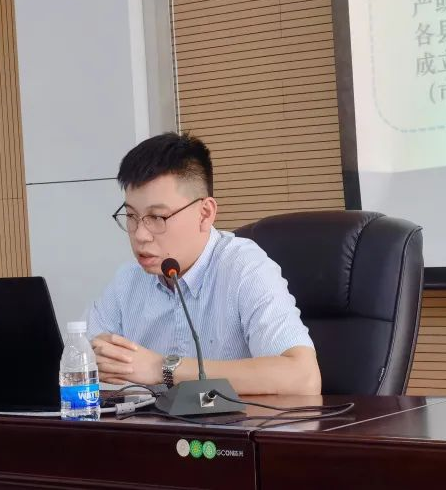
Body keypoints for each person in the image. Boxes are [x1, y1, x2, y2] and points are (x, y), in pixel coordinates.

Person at [85, 132, 320, 396]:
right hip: (149, 422)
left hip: (234, 423)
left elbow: (303, 378)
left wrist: (162, 368)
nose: (140, 235)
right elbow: (80, 360)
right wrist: (96, 357)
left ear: (205, 213)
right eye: (131, 216)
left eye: (157, 217)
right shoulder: (128, 280)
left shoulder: (244, 268)